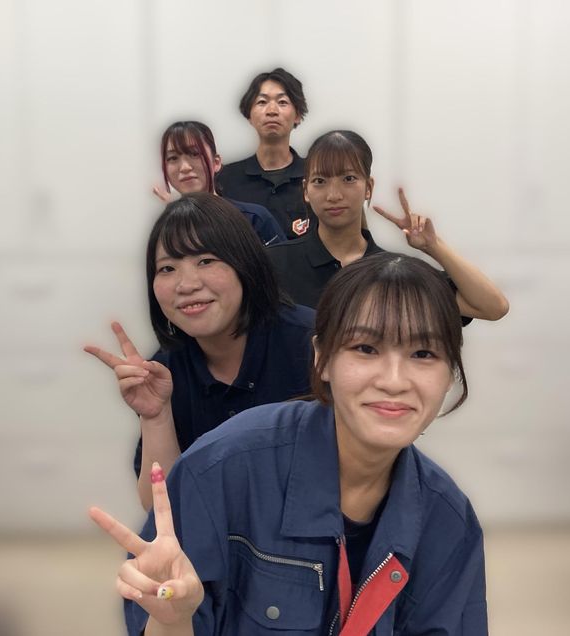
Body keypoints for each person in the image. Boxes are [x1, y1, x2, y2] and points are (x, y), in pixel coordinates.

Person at [90, 253, 488, 635]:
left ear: (450, 372)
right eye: (365, 349)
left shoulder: (447, 520)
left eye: (423, 353)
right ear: (322, 358)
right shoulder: (223, 469)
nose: (394, 380)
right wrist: (173, 620)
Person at [84, 193, 313, 509]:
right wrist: (156, 416)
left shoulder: (314, 344)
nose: (186, 284)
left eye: (205, 261)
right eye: (167, 268)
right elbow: (161, 508)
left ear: (245, 264)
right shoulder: (164, 371)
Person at [267, 130, 509, 322]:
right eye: (320, 181)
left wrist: (433, 246)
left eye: (348, 179)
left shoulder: (396, 272)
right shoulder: (273, 263)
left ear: (369, 187)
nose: (334, 195)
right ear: (306, 191)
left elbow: (493, 307)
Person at [215, 68, 312, 239]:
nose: (272, 110)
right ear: (249, 116)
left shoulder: (314, 176)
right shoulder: (225, 179)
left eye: (282, 102)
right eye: (262, 102)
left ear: (297, 115)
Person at [153, 121, 285, 246]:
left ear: (216, 163)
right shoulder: (167, 228)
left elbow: (283, 261)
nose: (185, 167)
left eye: (194, 154)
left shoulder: (254, 218)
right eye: (173, 158)